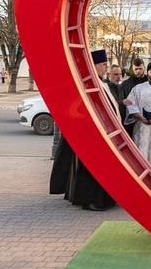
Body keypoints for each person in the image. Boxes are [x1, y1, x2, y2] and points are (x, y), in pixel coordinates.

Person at [49, 49, 116, 211]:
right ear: (93, 66)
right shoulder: (87, 85)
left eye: (106, 64)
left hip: (102, 134)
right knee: (90, 170)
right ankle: (90, 200)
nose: (105, 68)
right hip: (91, 134)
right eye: (102, 65)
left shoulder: (101, 83)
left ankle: (100, 198)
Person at [120, 58, 148, 138]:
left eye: (140, 69)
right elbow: (122, 102)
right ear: (133, 68)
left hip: (147, 118)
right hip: (131, 121)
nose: (138, 71)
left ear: (144, 68)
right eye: (136, 69)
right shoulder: (125, 84)